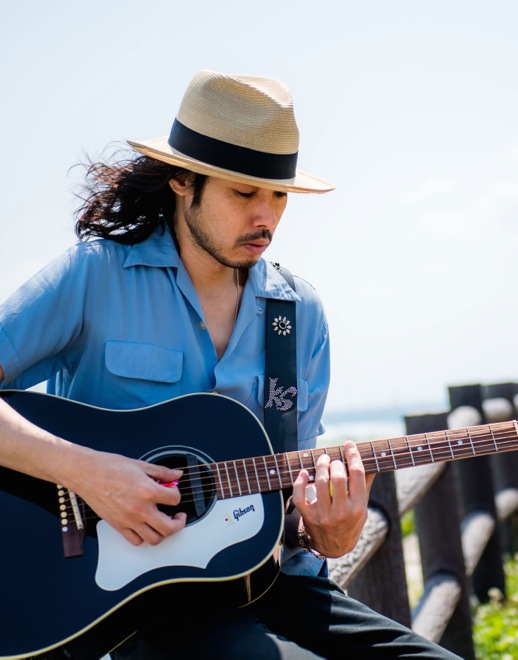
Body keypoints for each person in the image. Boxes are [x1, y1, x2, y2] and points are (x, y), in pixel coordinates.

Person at [0, 70, 459, 659]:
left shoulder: (298, 313)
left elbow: (289, 505)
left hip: (270, 585)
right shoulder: (95, 276)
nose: (266, 217)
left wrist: (331, 529)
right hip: (128, 600)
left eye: (279, 196)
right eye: (244, 194)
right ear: (182, 180)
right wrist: (89, 473)